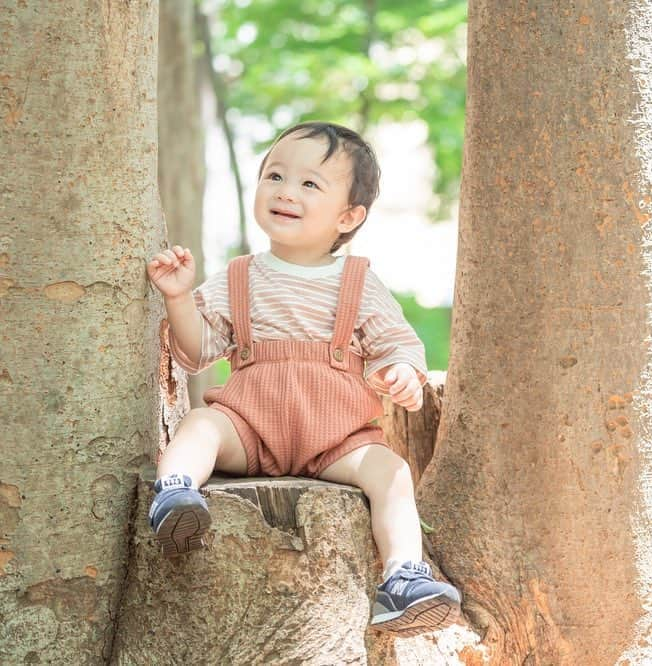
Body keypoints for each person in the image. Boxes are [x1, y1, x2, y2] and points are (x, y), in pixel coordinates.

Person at [145, 121, 460, 636]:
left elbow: (396, 344)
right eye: (275, 175)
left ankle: (404, 577)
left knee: (392, 471)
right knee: (201, 423)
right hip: (249, 427)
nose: (285, 191)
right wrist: (179, 298)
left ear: (349, 215)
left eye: (310, 184)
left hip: (337, 440)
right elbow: (197, 351)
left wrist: (402, 372)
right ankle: (175, 492)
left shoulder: (359, 282)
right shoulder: (239, 275)